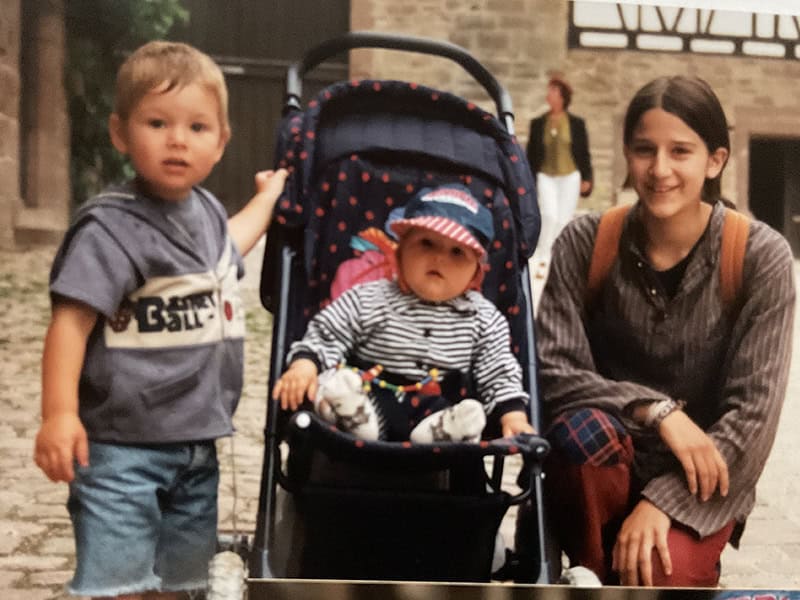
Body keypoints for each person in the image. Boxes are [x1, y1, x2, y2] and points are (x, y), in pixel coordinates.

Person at [32, 40, 288, 599]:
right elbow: (69, 325)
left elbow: (231, 252)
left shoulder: (207, 216)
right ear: (121, 133)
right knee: (120, 583)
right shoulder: (111, 229)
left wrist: (267, 202)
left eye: (197, 127)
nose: (177, 138)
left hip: (197, 446)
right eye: (157, 122)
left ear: (220, 143)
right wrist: (58, 414)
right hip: (122, 447)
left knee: (182, 581)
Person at [534, 75, 794, 587]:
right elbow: (552, 373)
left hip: (700, 481)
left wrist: (663, 501)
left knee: (652, 573)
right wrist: (658, 411)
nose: (660, 170)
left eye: (681, 151)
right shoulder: (586, 242)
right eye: (644, 150)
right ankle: (590, 567)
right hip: (599, 469)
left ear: (715, 160)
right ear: (627, 154)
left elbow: (751, 418)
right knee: (581, 433)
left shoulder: (760, 256)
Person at [272, 184, 535, 442]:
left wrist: (513, 415)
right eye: (427, 244)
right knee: (335, 385)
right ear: (399, 255)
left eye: (457, 252)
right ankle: (354, 419)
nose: (439, 258)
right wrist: (304, 364)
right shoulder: (370, 297)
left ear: (475, 274)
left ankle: (440, 433)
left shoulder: (483, 319)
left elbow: (498, 368)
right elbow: (328, 332)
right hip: (368, 395)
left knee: (468, 412)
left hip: (433, 408)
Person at [526, 75, 593, 279]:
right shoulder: (538, 123)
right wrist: (527, 179)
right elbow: (531, 154)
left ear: (562, 96)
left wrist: (587, 177)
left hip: (570, 176)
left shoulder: (576, 123)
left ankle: (558, 260)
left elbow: (583, 152)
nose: (549, 95)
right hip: (546, 175)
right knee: (548, 215)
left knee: (563, 220)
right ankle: (542, 257)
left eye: (553, 91)